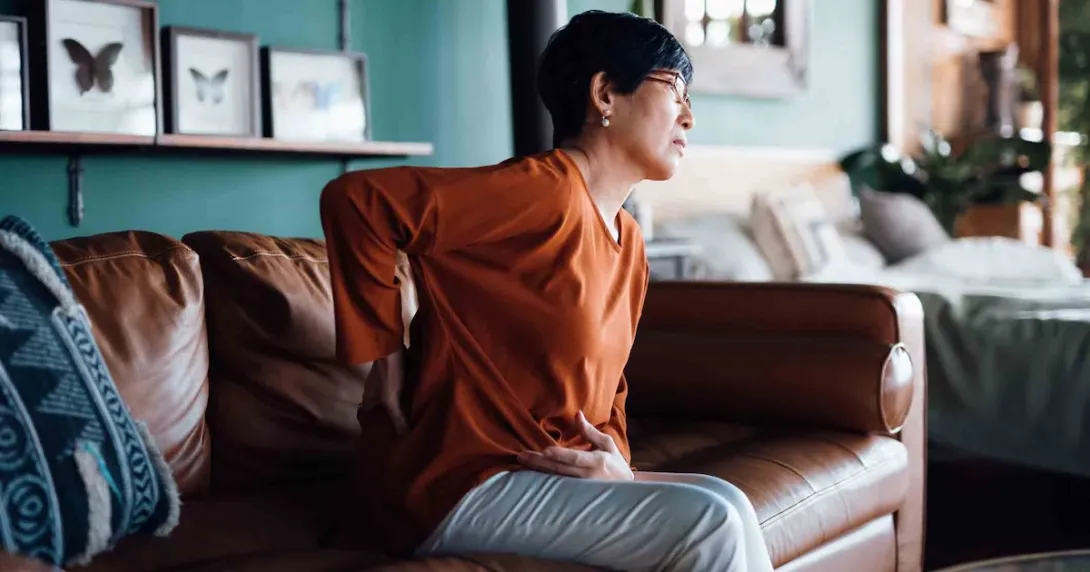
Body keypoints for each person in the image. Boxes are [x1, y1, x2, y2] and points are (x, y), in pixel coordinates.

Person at [319, 10, 774, 572]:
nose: (689, 116)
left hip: (548, 477)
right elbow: (358, 202)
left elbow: (608, 390)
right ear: (605, 94)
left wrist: (618, 463)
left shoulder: (628, 241)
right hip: (461, 481)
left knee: (730, 502)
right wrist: (384, 359)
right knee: (710, 523)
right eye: (674, 90)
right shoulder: (543, 192)